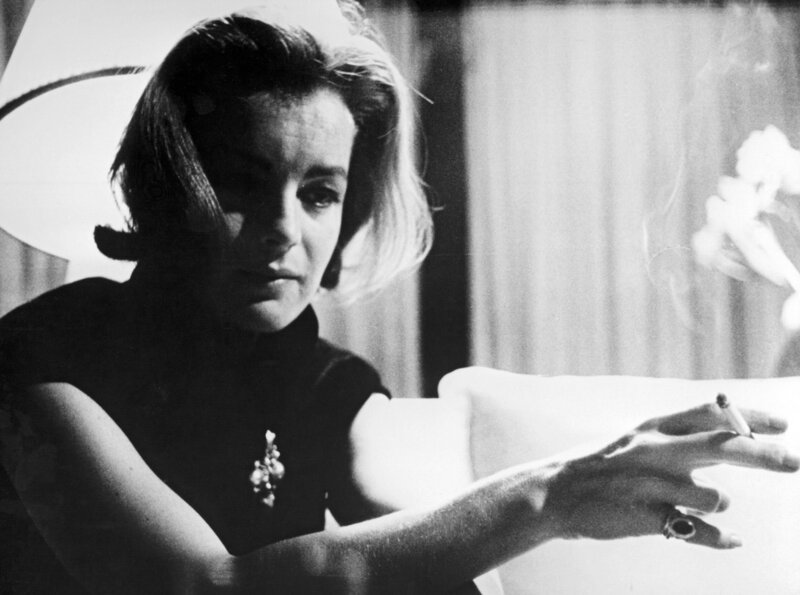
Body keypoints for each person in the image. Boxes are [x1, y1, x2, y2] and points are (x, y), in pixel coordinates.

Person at [0, 2, 797, 594]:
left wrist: (600, 487)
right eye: (242, 183)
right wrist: (551, 494)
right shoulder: (41, 358)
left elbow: (427, 541)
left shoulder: (320, 376)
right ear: (168, 185)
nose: (284, 230)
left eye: (319, 193)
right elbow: (208, 585)